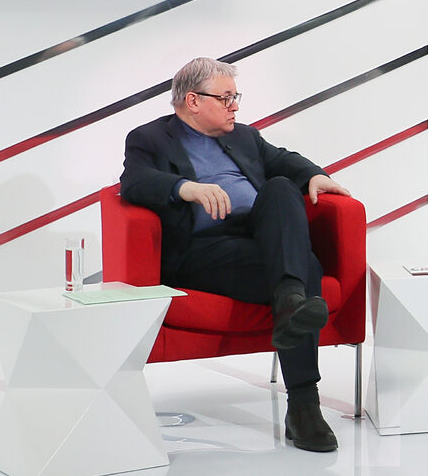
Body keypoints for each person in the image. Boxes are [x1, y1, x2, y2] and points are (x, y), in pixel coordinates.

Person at [120, 57, 353, 453]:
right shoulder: (150, 138)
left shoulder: (244, 136)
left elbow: (283, 160)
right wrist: (185, 188)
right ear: (193, 101)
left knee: (281, 186)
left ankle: (291, 297)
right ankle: (304, 405)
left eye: (235, 96)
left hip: (259, 239)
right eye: (226, 98)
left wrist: (315, 174)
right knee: (305, 268)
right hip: (204, 250)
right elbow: (135, 182)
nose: (235, 106)